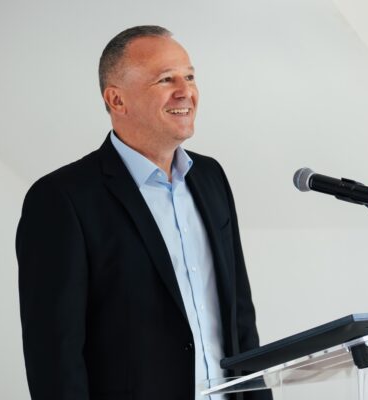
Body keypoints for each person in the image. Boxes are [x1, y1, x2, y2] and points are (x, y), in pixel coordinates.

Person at [16, 25, 272, 400]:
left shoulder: (210, 177)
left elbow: (240, 319)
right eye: (166, 79)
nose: (185, 91)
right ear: (117, 100)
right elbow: (55, 358)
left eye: (189, 77)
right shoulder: (61, 199)